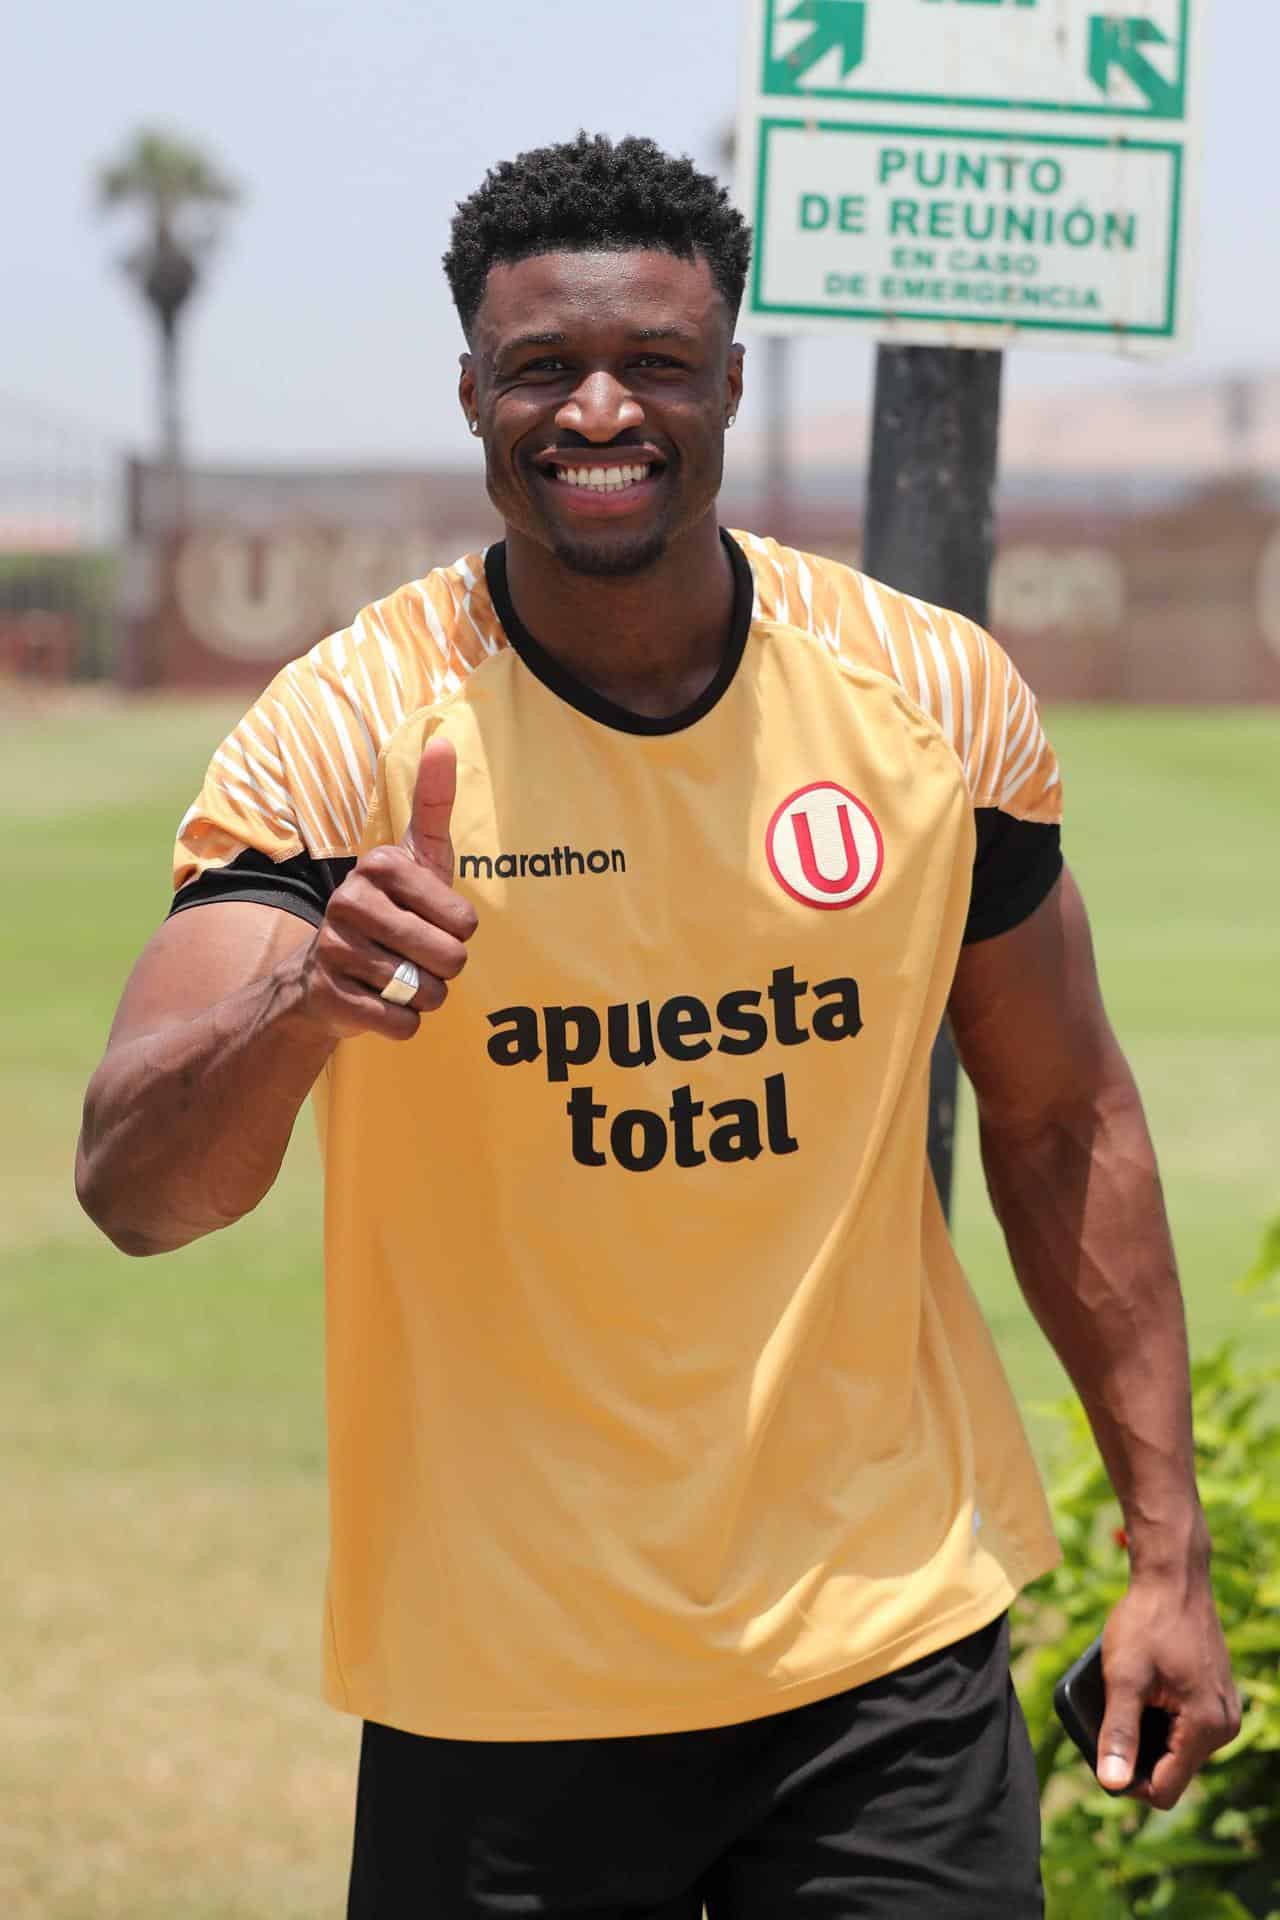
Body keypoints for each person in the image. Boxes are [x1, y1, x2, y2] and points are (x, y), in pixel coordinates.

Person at [76, 132, 1239, 1918]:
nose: (599, 408)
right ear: (473, 389)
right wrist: (305, 1003)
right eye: (543, 368)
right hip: (504, 1688)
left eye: (656, 367)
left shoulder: (930, 697)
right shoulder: (344, 736)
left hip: (886, 1664)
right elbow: (138, 1189)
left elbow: (1061, 1117)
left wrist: (1168, 1553)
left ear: (732, 384)